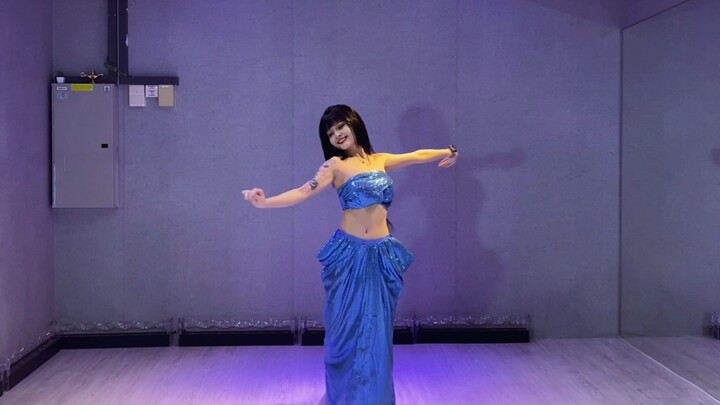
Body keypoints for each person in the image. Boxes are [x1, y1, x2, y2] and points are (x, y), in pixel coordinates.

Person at [242, 104, 458, 405]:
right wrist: (265, 202)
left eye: (340, 126)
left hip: (382, 256)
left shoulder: (380, 160)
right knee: (344, 333)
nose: (337, 135)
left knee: (378, 333)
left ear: (354, 124)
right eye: (330, 133)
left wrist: (449, 151)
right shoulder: (334, 166)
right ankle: (343, 398)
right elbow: (304, 191)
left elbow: (417, 155)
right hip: (349, 256)